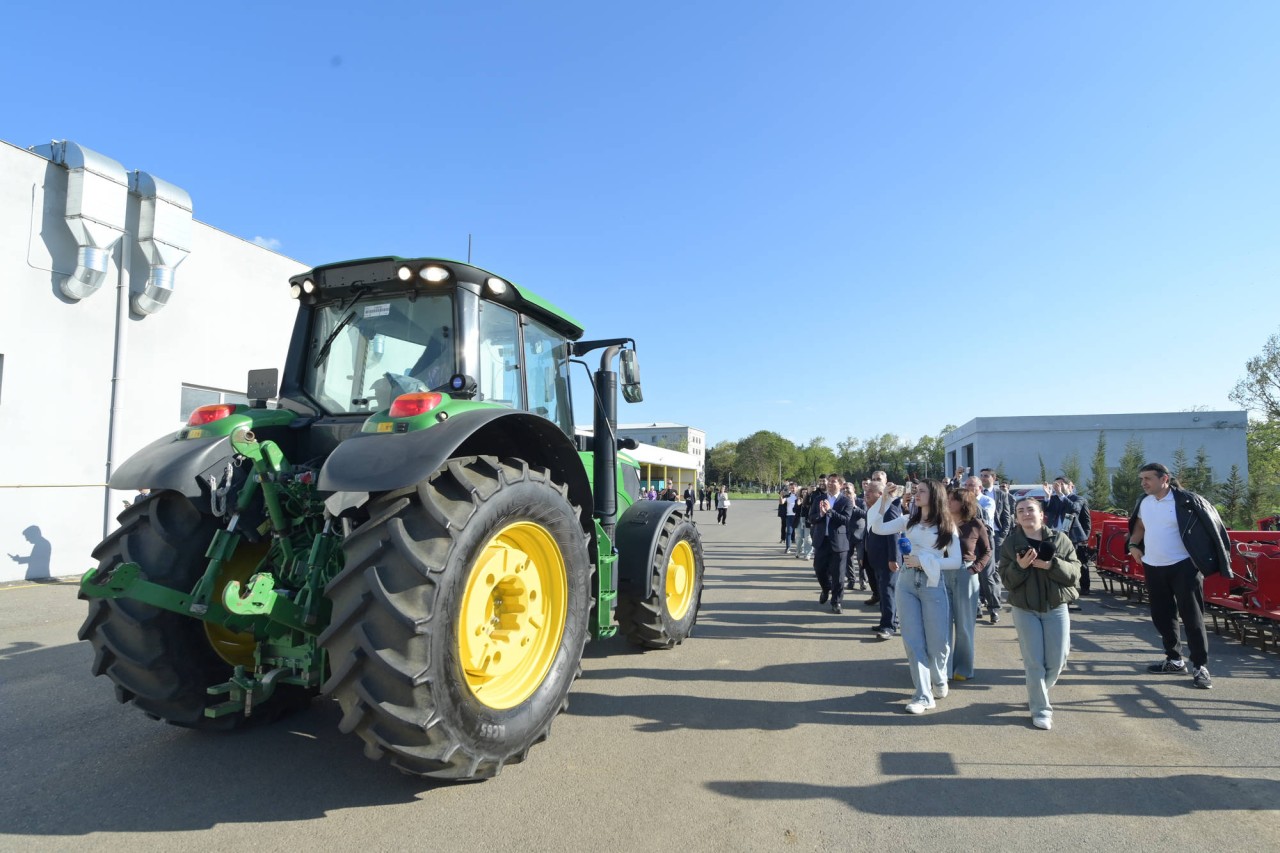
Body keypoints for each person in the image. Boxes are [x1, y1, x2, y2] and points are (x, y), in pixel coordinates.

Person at [1126, 462, 1232, 690]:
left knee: (1192, 618)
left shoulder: (1187, 502)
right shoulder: (1144, 502)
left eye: (1148, 478)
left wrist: (1201, 560)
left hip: (1184, 567)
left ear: (1165, 479)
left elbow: (1213, 529)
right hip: (1153, 566)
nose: (1143, 483)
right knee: (1162, 616)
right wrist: (1134, 544)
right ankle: (1174, 660)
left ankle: (1200, 666)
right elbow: (1140, 527)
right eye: (1141, 479)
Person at [869, 479, 960, 714]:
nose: (916, 494)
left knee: (938, 643)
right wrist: (885, 500)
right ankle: (923, 695)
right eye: (915, 491)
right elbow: (877, 527)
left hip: (932, 584)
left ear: (935, 495)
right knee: (913, 641)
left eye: (922, 491)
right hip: (907, 583)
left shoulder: (947, 525)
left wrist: (925, 560)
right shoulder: (908, 520)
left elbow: (956, 561)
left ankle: (939, 677)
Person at [999, 496, 1080, 730]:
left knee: (1058, 659)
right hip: (1025, 609)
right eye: (1020, 510)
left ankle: (1038, 692)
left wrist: (1051, 565)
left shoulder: (1060, 539)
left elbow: (1075, 574)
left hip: (1056, 607)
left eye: (1031, 509)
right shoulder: (1010, 543)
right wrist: (1020, 567)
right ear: (1016, 517)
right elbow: (1007, 581)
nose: (1026, 514)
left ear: (1041, 514)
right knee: (1034, 661)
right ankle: (1041, 709)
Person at [946, 489, 990, 681]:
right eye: (947, 498)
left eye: (953, 500)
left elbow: (987, 550)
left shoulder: (975, 524)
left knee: (964, 625)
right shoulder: (941, 523)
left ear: (964, 503)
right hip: (941, 574)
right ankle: (944, 669)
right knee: (941, 624)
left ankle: (963, 668)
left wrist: (975, 568)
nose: (948, 502)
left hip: (966, 574)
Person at [863, 479, 902, 639]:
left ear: (881, 494)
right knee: (883, 591)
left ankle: (889, 627)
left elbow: (894, 535)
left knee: (888, 592)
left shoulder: (889, 509)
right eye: (866, 490)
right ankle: (887, 620)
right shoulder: (875, 509)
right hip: (877, 559)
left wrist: (893, 558)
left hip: (888, 560)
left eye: (871, 491)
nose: (866, 493)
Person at [810, 474, 853, 613]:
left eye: (834, 482)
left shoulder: (846, 501)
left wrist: (830, 511)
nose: (830, 484)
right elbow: (811, 518)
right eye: (829, 481)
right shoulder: (819, 499)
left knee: (838, 575)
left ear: (840, 484)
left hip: (839, 543)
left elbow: (846, 520)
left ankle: (836, 602)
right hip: (822, 541)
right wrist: (821, 515)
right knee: (819, 569)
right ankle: (825, 589)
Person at [1045, 477, 1092, 601]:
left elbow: (1075, 509)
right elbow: (1046, 509)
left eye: (1061, 484)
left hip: (1073, 535)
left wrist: (1085, 536)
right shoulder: (1054, 498)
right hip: (1056, 534)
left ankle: (1084, 586)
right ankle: (1061, 584)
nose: (1058, 487)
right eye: (1056, 485)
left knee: (1079, 561)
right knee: (1058, 560)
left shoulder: (1078, 499)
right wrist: (1047, 497)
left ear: (1070, 486)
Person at [978, 468, 1011, 619]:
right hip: (976, 536)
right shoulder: (974, 495)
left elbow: (1006, 516)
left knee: (992, 570)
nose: (983, 479)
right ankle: (980, 600)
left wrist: (1002, 535)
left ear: (993, 477)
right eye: (982, 476)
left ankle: (994, 605)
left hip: (995, 535)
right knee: (979, 570)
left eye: (986, 476)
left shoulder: (1001, 495)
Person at [779, 483, 799, 554]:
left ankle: (799, 548)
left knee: (800, 534)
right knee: (789, 532)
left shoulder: (799, 495)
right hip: (789, 516)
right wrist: (781, 496)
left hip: (798, 516)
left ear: (796, 488)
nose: (792, 489)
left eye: (793, 488)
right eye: (791, 488)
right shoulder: (787, 495)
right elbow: (782, 502)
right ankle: (788, 548)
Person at [794, 486, 814, 559]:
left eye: (806, 492)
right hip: (799, 520)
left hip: (807, 520)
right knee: (799, 537)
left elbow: (811, 510)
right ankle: (798, 551)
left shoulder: (811, 500)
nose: (804, 493)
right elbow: (794, 510)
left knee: (807, 538)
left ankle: (807, 554)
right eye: (803, 492)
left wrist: (806, 504)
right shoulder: (798, 500)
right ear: (801, 493)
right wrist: (798, 505)